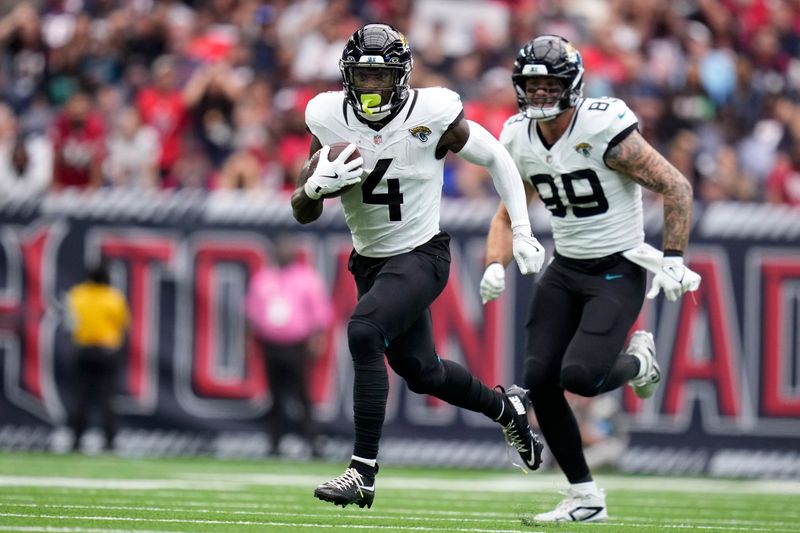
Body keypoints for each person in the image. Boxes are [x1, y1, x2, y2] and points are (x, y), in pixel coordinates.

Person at [291, 23, 546, 509]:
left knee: (365, 331)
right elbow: (300, 210)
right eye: (363, 76)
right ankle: (507, 409)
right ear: (348, 76)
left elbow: (497, 158)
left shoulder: (432, 112)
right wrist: (312, 187)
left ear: (401, 77)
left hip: (423, 254)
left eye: (382, 76)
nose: (372, 87)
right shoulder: (326, 117)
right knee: (422, 371)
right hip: (370, 263)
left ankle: (362, 470)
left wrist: (524, 231)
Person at [479, 35, 702, 523]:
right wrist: (497, 262)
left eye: (549, 84)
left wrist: (675, 256)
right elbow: (505, 213)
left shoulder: (603, 127)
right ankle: (585, 496)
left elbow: (675, 186)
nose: (539, 94)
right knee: (540, 380)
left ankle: (640, 364)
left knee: (580, 375)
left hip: (617, 266)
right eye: (531, 84)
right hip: (566, 267)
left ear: (572, 85)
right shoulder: (517, 136)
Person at [245, 238, 334, 457]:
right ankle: (274, 443)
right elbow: (251, 314)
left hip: (297, 345)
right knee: (275, 396)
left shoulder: (307, 278)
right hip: (270, 345)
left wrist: (318, 339)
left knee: (302, 396)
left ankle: (314, 444)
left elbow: (319, 313)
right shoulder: (264, 278)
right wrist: (248, 342)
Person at [65, 261, 130, 452]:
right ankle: (109, 442)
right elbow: (123, 325)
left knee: (81, 398)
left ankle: (76, 440)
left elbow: (70, 324)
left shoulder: (78, 294)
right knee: (107, 399)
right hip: (106, 352)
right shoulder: (113, 298)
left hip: (84, 351)